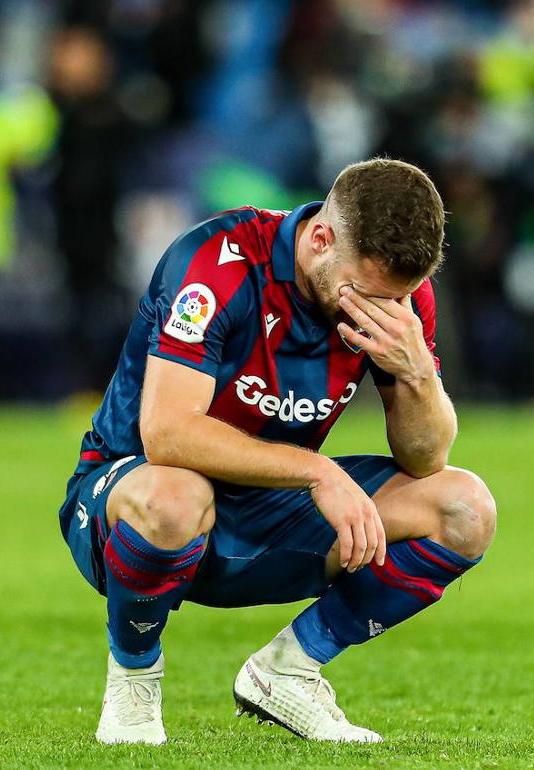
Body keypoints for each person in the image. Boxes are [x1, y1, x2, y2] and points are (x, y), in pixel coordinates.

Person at [57, 159, 497, 745]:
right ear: (321, 237)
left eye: (395, 299)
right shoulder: (218, 263)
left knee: (465, 508)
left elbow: (425, 460)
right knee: (175, 495)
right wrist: (317, 471)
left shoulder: (398, 297)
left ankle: (288, 670)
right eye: (361, 294)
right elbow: (168, 434)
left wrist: (417, 374)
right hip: (129, 502)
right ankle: (133, 682)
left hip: (270, 504)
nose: (372, 312)